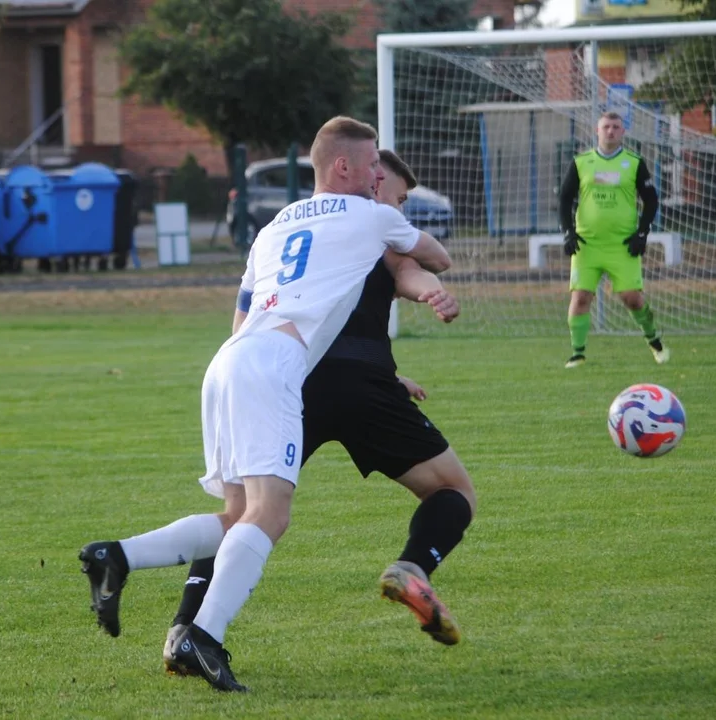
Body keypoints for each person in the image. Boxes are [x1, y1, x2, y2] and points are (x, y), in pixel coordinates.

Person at [78, 117, 452, 692]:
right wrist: (404, 241)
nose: (380, 173)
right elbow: (436, 256)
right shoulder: (373, 214)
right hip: (276, 365)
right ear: (343, 167)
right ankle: (204, 636)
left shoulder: (273, 224)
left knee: (236, 517)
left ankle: (118, 556)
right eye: (374, 162)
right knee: (270, 517)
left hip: (229, 359)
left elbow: (243, 308)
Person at [161, 150, 475, 676]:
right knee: (453, 490)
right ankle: (412, 566)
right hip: (362, 384)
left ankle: (184, 630)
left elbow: (245, 318)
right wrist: (435, 293)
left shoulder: (287, 233)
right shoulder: (378, 227)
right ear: (370, 184)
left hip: (289, 380)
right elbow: (411, 272)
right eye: (393, 194)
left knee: (240, 513)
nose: (392, 202)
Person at [558, 111, 668, 369]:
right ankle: (578, 354)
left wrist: (642, 232)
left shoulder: (634, 162)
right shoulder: (581, 162)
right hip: (588, 245)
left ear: (623, 132)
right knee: (581, 297)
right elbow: (564, 199)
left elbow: (651, 200)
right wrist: (568, 232)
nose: (610, 131)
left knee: (632, 298)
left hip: (622, 246)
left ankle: (654, 341)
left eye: (616, 127)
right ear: (597, 131)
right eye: (606, 127)